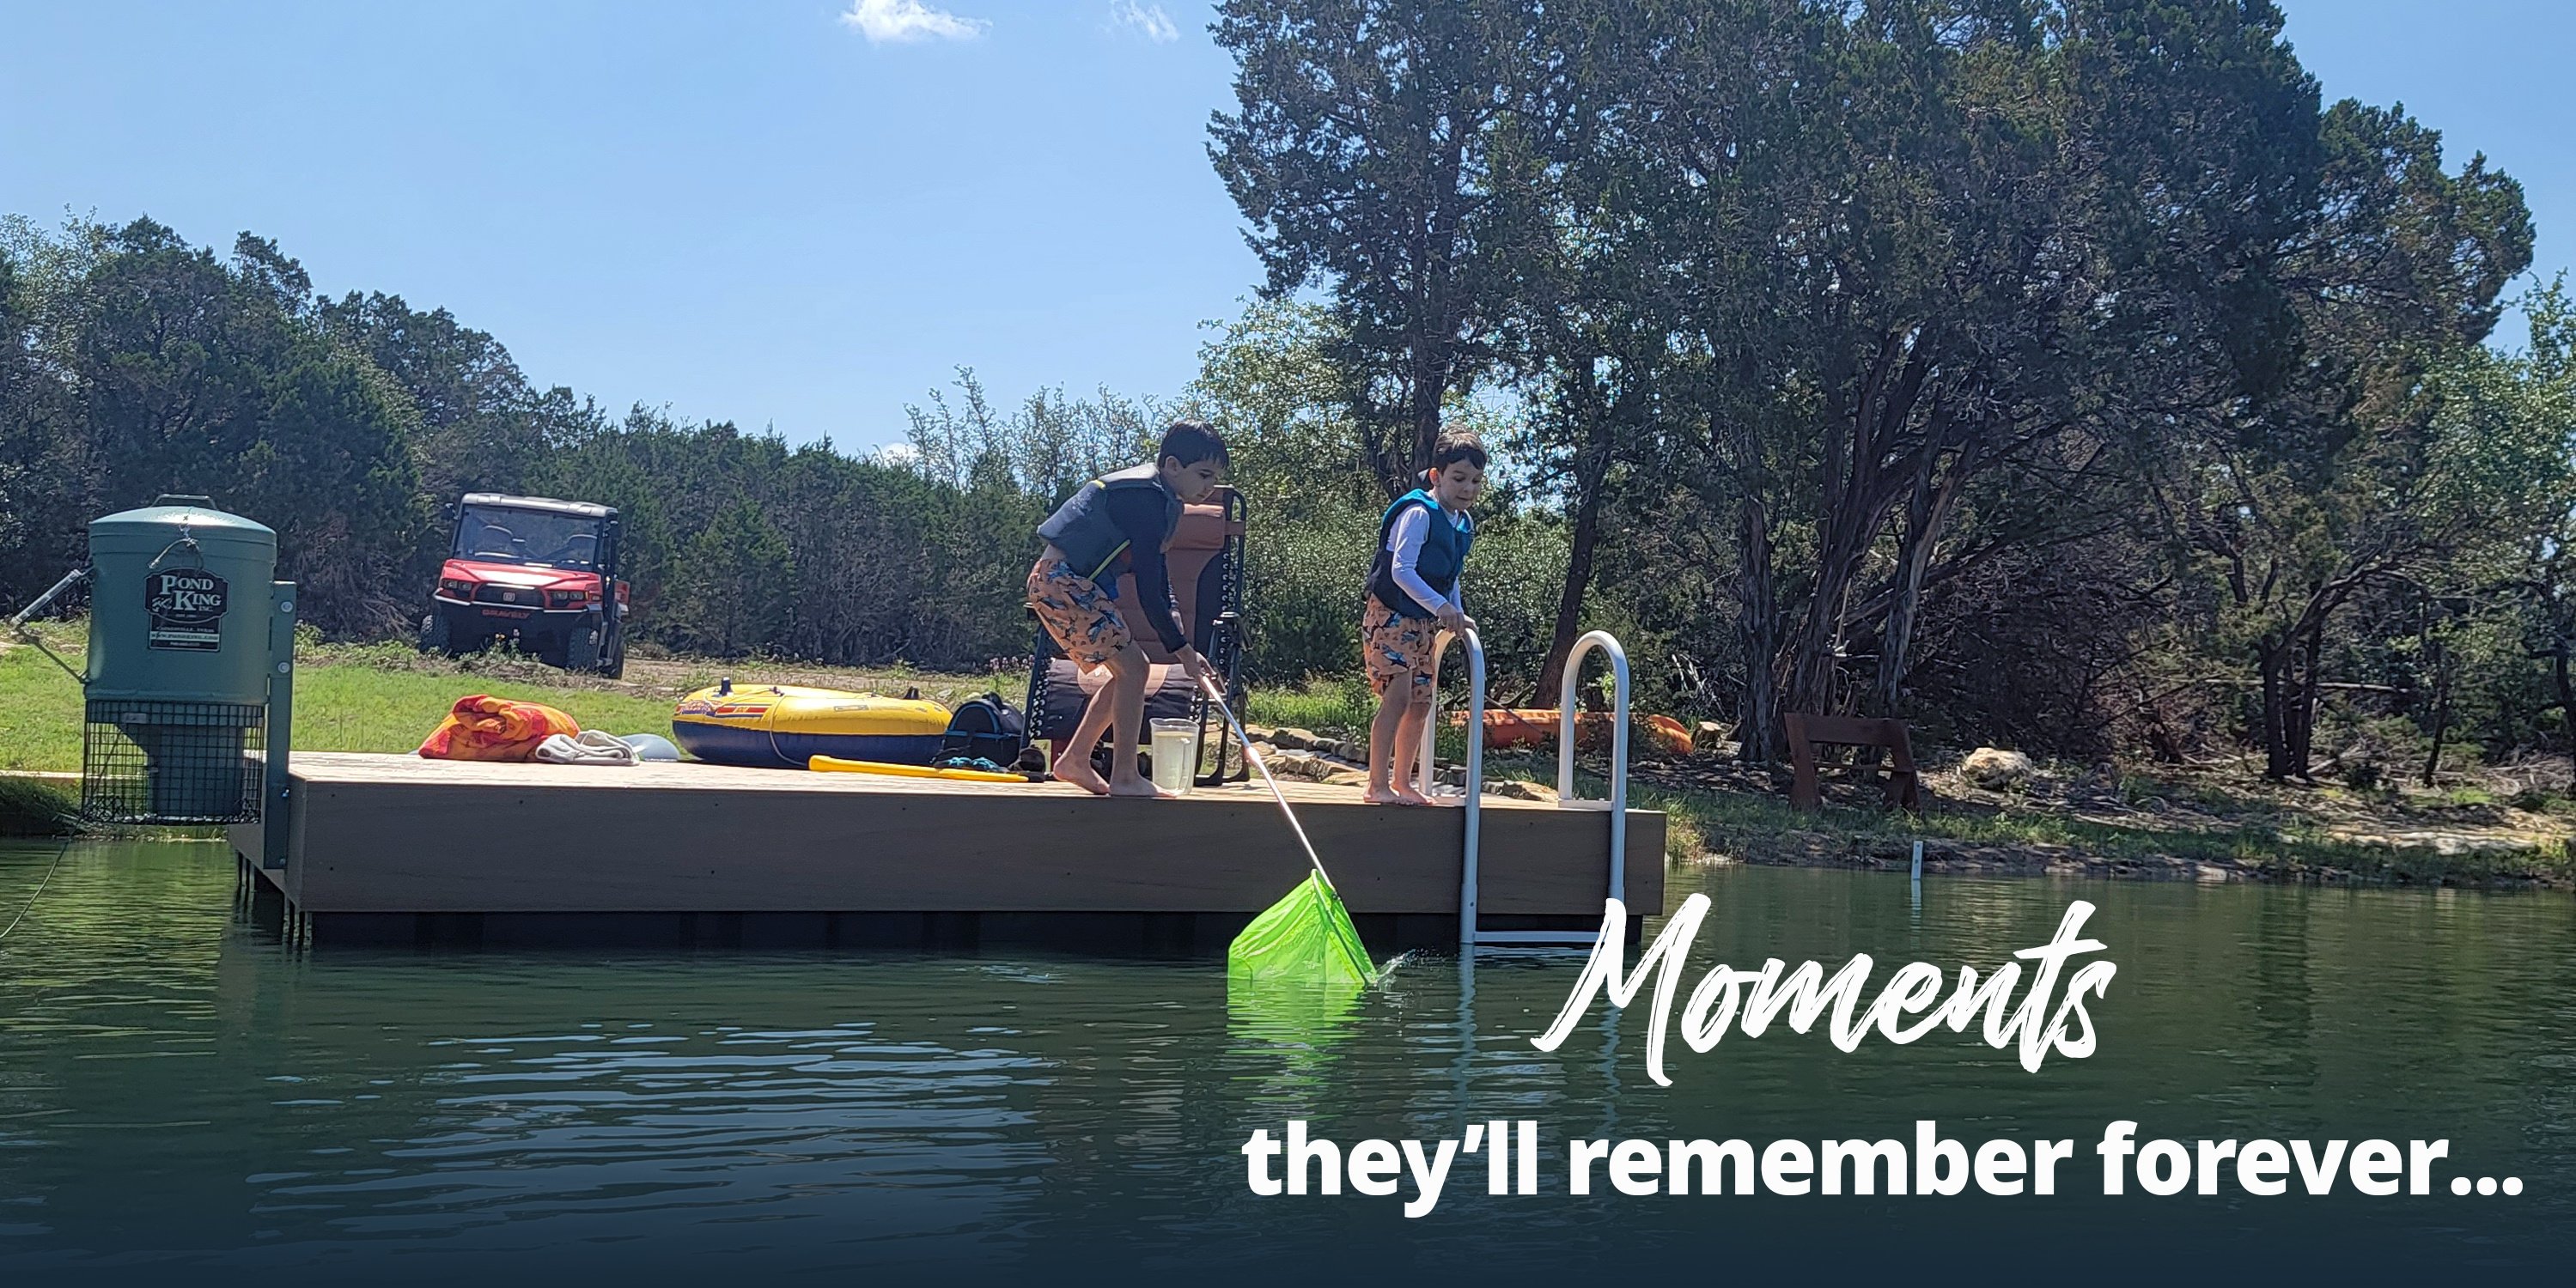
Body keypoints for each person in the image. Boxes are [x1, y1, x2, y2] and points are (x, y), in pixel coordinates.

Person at [1026, 422, 1226, 797]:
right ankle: (1124, 776)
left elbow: (1159, 584)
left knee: (1127, 671)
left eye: (1214, 477)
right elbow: (1149, 591)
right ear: (1171, 466)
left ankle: (1076, 760)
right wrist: (1183, 652)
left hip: (1064, 582)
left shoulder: (1159, 500)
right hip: (1061, 582)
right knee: (1135, 667)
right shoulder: (1146, 500)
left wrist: (1183, 644)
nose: (1209, 486)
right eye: (1203, 475)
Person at [1361, 429, 1487, 805]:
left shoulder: (1461, 523)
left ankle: (1403, 782)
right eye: (1459, 479)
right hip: (1391, 614)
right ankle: (1376, 784)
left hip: (1423, 622)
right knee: (1397, 697)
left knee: (1420, 702)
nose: (1467, 489)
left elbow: (1451, 576)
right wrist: (1442, 608)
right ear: (1436, 476)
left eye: (1476, 481)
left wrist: (1457, 612)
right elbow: (1402, 570)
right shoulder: (1419, 513)